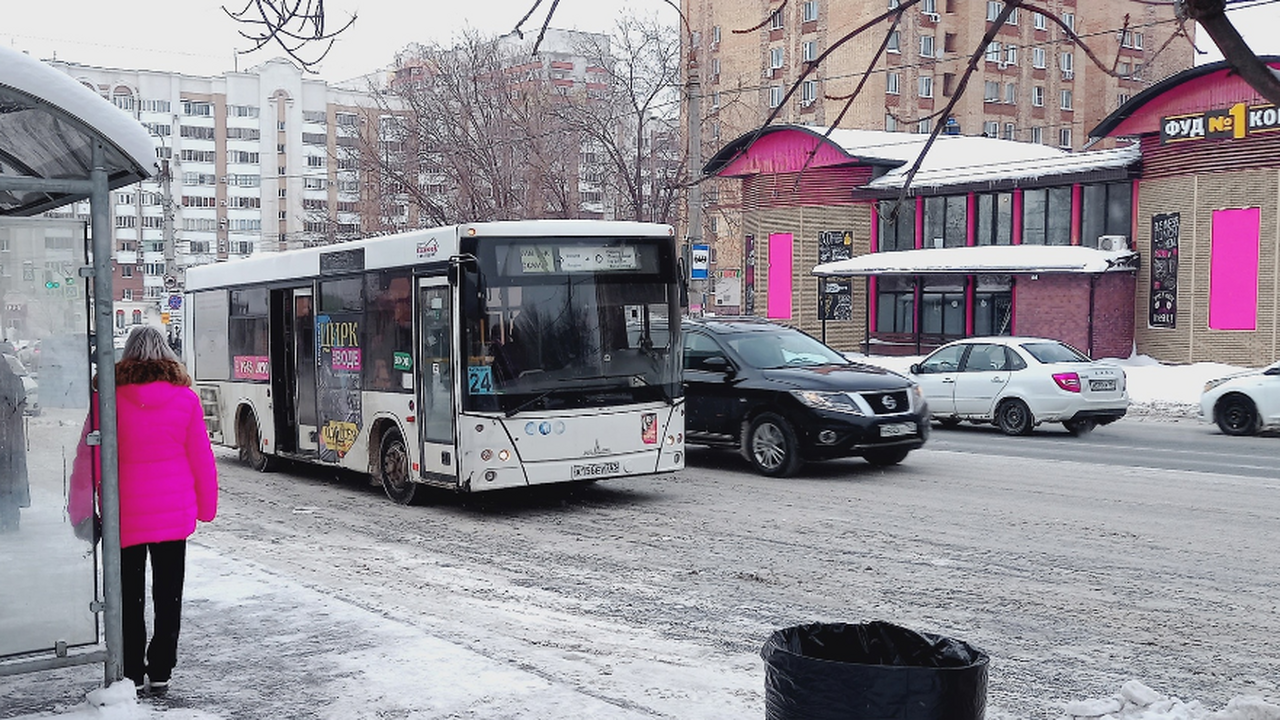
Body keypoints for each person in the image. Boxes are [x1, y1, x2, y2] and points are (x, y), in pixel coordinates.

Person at [68, 325, 218, 695]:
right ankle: (162, 668)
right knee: (169, 596)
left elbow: (89, 456)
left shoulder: (109, 397)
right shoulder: (185, 398)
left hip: (124, 515)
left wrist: (80, 510)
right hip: (173, 514)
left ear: (127, 354)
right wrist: (206, 506)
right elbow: (201, 457)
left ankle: (131, 672)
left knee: (127, 597)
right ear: (167, 353)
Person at [0, 353, 30, 532]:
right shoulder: (15, 382)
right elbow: (21, 405)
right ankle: (11, 519)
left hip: (8, 442)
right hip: (12, 444)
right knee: (11, 480)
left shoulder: (11, 383)